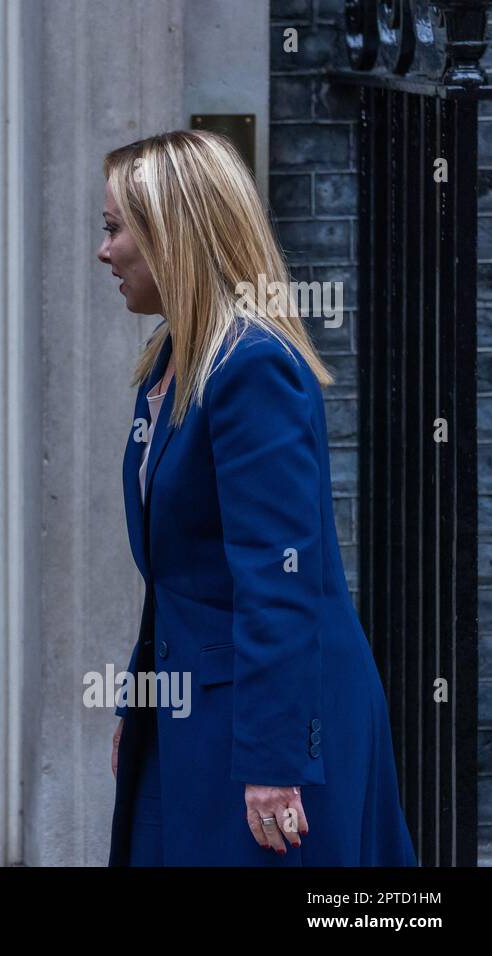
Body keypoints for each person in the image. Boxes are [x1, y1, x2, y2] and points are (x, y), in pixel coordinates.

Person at [97, 129, 415, 866]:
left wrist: (273, 762)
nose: (103, 252)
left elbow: (280, 578)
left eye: (116, 231)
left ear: (174, 236)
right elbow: (184, 577)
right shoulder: (172, 361)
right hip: (193, 708)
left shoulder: (252, 368)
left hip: (271, 731)